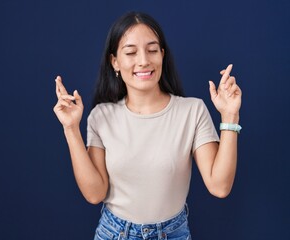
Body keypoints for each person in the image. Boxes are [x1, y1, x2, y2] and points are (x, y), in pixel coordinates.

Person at [53, 11, 242, 240]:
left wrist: (230, 115)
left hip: (173, 234)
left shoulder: (192, 111)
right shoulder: (101, 116)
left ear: (162, 55)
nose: (143, 60)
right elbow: (95, 194)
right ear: (115, 62)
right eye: (131, 52)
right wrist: (71, 128)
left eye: (152, 50)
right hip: (114, 233)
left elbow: (219, 187)